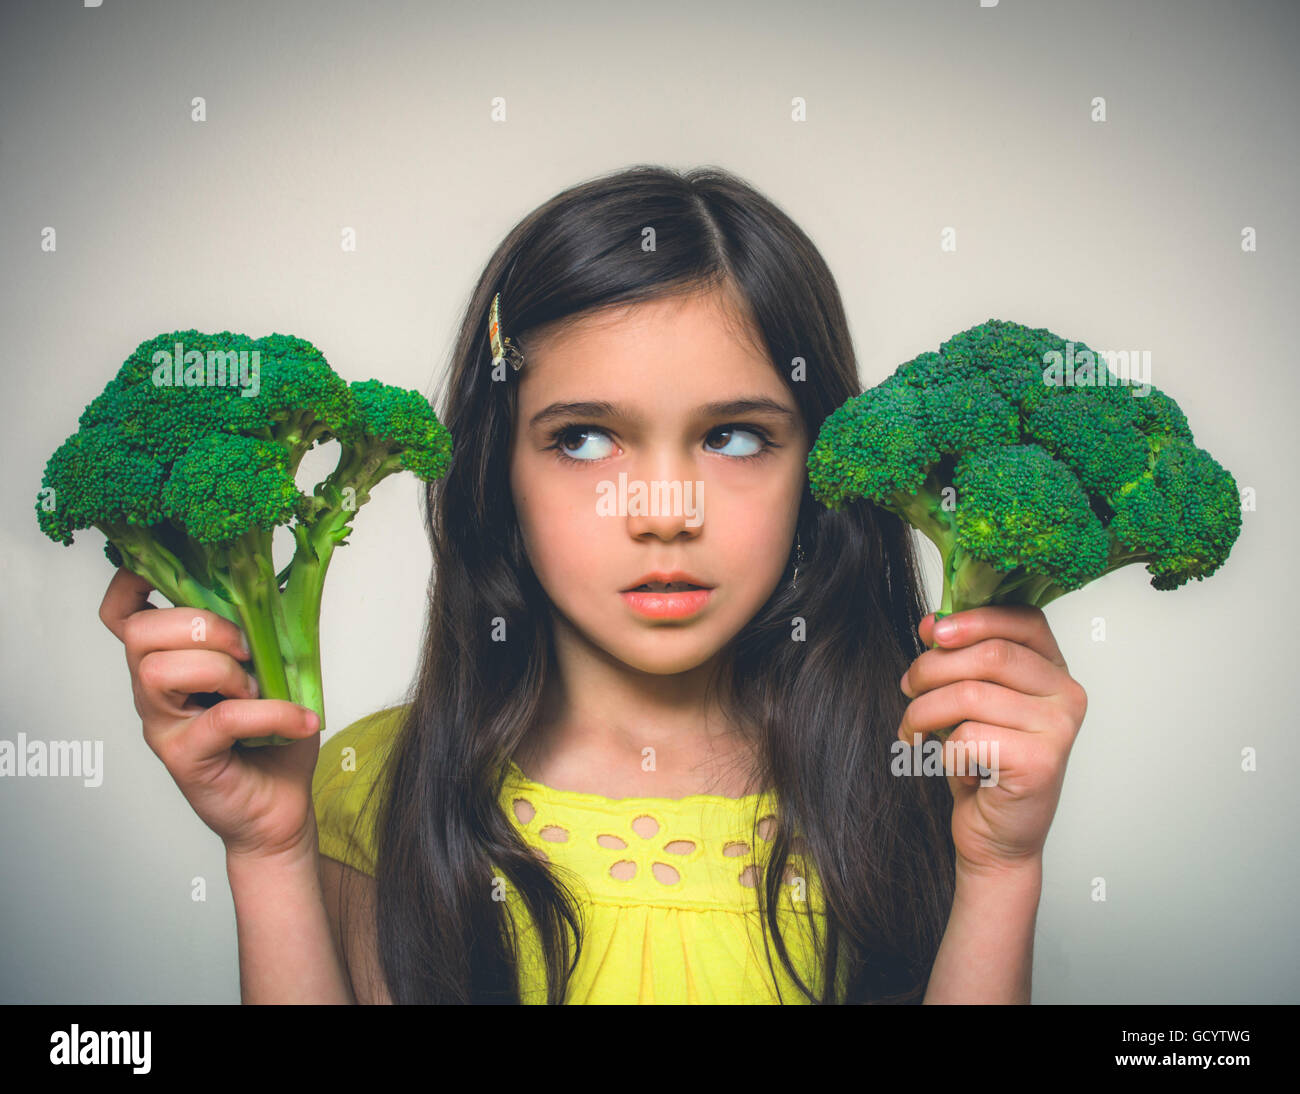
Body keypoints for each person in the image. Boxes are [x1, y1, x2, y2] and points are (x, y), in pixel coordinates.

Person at [98, 164, 1088, 1004]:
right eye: (583, 438)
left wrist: (1001, 870)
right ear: (501, 471)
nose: (663, 509)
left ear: (822, 469)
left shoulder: (924, 782)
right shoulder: (369, 791)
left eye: (734, 435)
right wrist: (267, 853)